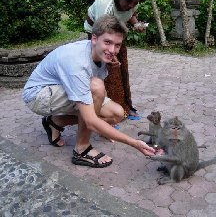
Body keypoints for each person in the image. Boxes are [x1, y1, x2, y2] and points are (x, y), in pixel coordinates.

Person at [22, 15, 155, 168]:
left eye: (117, 45)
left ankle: (56, 122)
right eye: (107, 42)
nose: (112, 50)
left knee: (117, 114)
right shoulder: (77, 62)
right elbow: (92, 112)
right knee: (96, 89)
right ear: (94, 39)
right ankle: (82, 149)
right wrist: (134, 143)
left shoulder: (101, 54)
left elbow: (97, 97)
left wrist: (110, 68)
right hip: (38, 95)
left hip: (62, 89)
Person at [84, 0, 147, 121]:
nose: (131, 5)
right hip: (100, 36)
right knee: (111, 74)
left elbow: (130, 15)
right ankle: (110, 113)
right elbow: (102, 35)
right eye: (129, 1)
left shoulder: (132, 4)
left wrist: (136, 24)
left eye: (135, 3)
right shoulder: (105, 6)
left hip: (117, 33)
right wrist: (111, 55)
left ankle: (126, 106)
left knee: (123, 70)